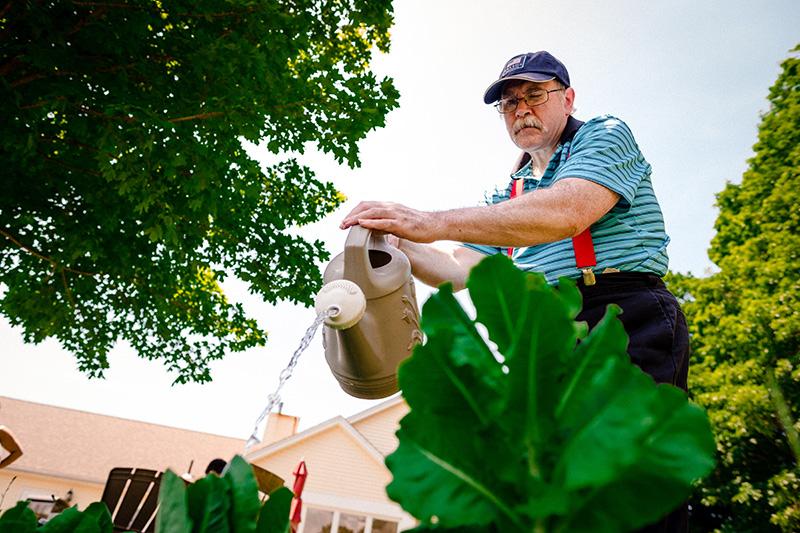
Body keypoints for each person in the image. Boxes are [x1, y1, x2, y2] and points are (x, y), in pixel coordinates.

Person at [341, 51, 689, 532]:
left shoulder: (605, 136)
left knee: (627, 476)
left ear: (567, 98)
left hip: (622, 315)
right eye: (508, 103)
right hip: (542, 330)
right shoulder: (508, 195)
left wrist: (427, 221)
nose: (520, 109)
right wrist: (399, 243)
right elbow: (461, 269)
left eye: (534, 95)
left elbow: (567, 210)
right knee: (549, 480)